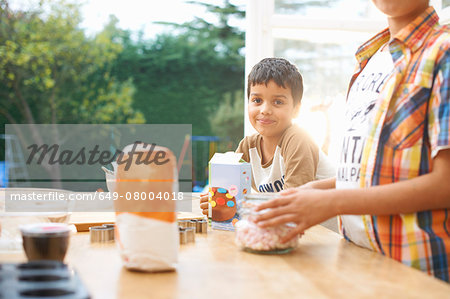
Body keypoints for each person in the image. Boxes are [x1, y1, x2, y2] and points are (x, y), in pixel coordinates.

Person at [254, 1, 450, 282]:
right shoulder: (370, 60)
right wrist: (315, 190)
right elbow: (373, 173)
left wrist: (333, 202)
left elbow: (446, 183)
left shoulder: (444, 53)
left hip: (419, 274)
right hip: (357, 262)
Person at [200, 58, 335, 215]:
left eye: (278, 102)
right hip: (295, 228)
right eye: (257, 100)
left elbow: (292, 204)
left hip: (331, 233)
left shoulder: (298, 140)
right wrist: (218, 201)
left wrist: (240, 205)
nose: (265, 110)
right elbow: (231, 193)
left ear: (296, 109)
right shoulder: (248, 147)